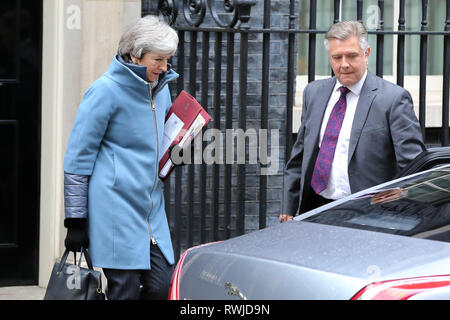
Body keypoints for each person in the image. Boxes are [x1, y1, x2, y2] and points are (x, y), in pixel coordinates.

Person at [63, 15, 179, 300]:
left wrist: (178, 150)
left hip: (151, 210)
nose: (165, 68)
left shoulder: (160, 90)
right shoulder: (104, 91)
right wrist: (75, 220)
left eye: (168, 60)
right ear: (134, 55)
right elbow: (78, 158)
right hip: (114, 209)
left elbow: (161, 143)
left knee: (161, 286)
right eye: (158, 60)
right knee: (124, 291)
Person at [280, 20, 425, 223]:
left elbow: (414, 167)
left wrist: (401, 206)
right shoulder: (314, 93)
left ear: (366, 53)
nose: (344, 64)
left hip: (371, 213)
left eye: (352, 55)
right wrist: (289, 205)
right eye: (337, 57)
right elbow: (300, 156)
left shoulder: (393, 99)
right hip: (317, 207)